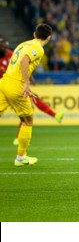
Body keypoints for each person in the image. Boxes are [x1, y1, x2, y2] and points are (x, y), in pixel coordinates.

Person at [0, 24, 52, 166]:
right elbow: (24, 61)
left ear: (35, 33)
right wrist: (26, 83)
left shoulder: (24, 44)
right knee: (28, 120)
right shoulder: (38, 49)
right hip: (16, 85)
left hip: (4, 82)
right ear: (49, 38)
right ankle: (21, 158)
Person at [0, 37, 64, 146]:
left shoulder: (12, 54)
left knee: (30, 105)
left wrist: (30, 79)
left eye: (6, 46)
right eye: (3, 46)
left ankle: (19, 139)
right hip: (5, 87)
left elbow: (24, 65)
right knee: (28, 110)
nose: (6, 49)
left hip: (14, 86)